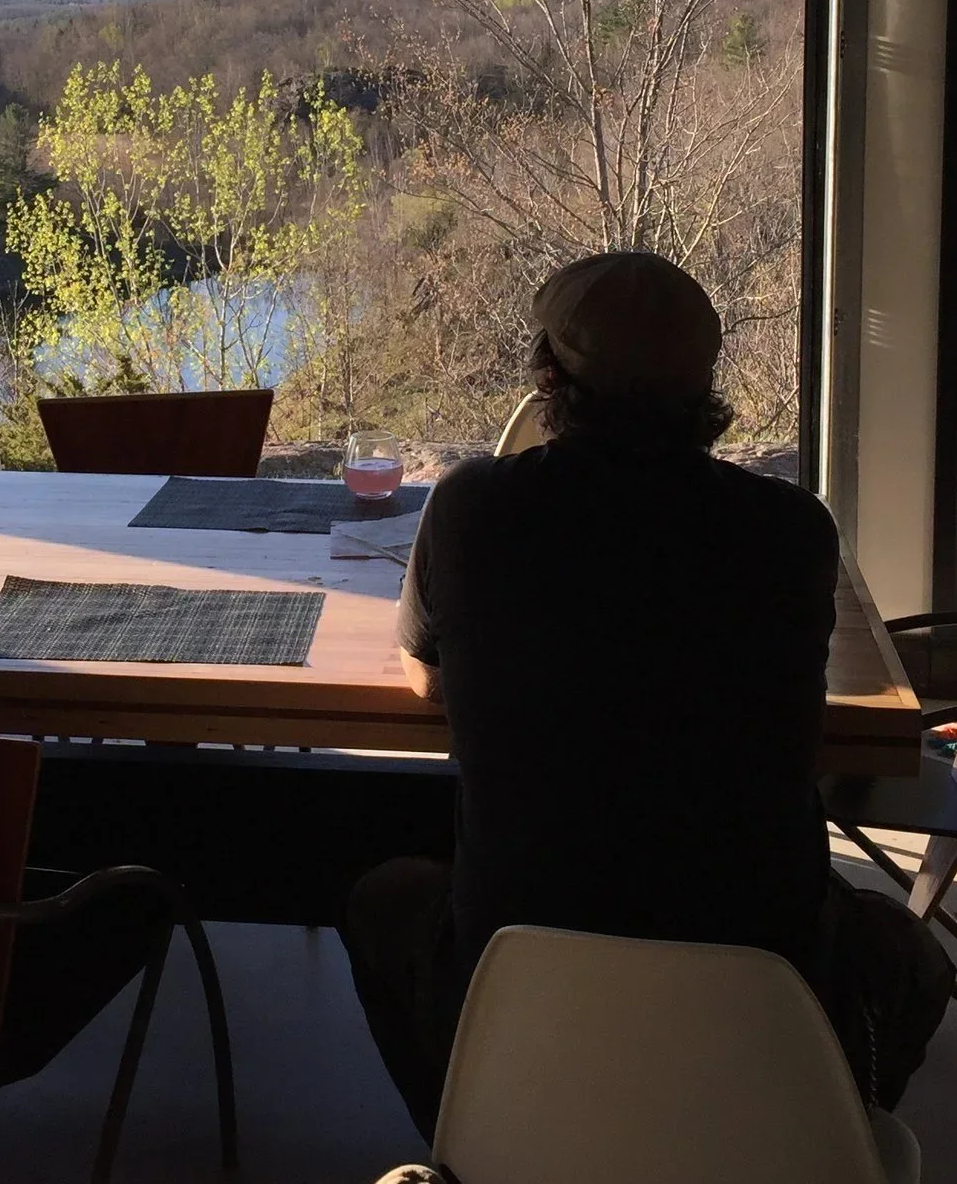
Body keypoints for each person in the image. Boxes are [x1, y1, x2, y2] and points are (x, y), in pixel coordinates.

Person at [340, 250, 841, 1139]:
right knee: (902, 956)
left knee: (383, 899)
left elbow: (425, 676)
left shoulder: (474, 509)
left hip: (519, 978)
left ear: (549, 379)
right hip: (757, 1002)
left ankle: (482, 1137)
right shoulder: (793, 530)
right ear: (705, 382)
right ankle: (790, 1138)